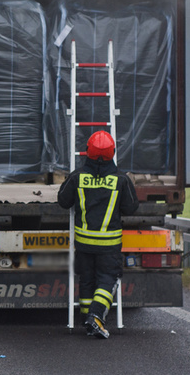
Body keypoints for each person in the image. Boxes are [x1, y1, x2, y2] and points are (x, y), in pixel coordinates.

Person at [57, 131, 139, 339]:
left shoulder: (77, 177)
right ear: (112, 152)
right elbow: (131, 208)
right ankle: (95, 317)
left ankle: (88, 320)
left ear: (87, 152)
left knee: (87, 280)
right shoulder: (121, 179)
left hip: (84, 244)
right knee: (107, 279)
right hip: (109, 245)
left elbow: (63, 201)